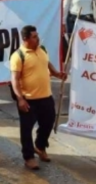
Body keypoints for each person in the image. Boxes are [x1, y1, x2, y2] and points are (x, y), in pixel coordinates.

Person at [10, 25, 66, 170]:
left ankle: (40, 146)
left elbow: (47, 63)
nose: (37, 38)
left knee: (48, 123)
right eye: (34, 37)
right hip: (28, 100)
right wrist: (20, 99)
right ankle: (28, 157)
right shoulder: (18, 56)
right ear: (26, 39)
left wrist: (57, 73)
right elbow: (14, 80)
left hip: (46, 96)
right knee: (26, 130)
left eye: (37, 35)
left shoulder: (42, 49)